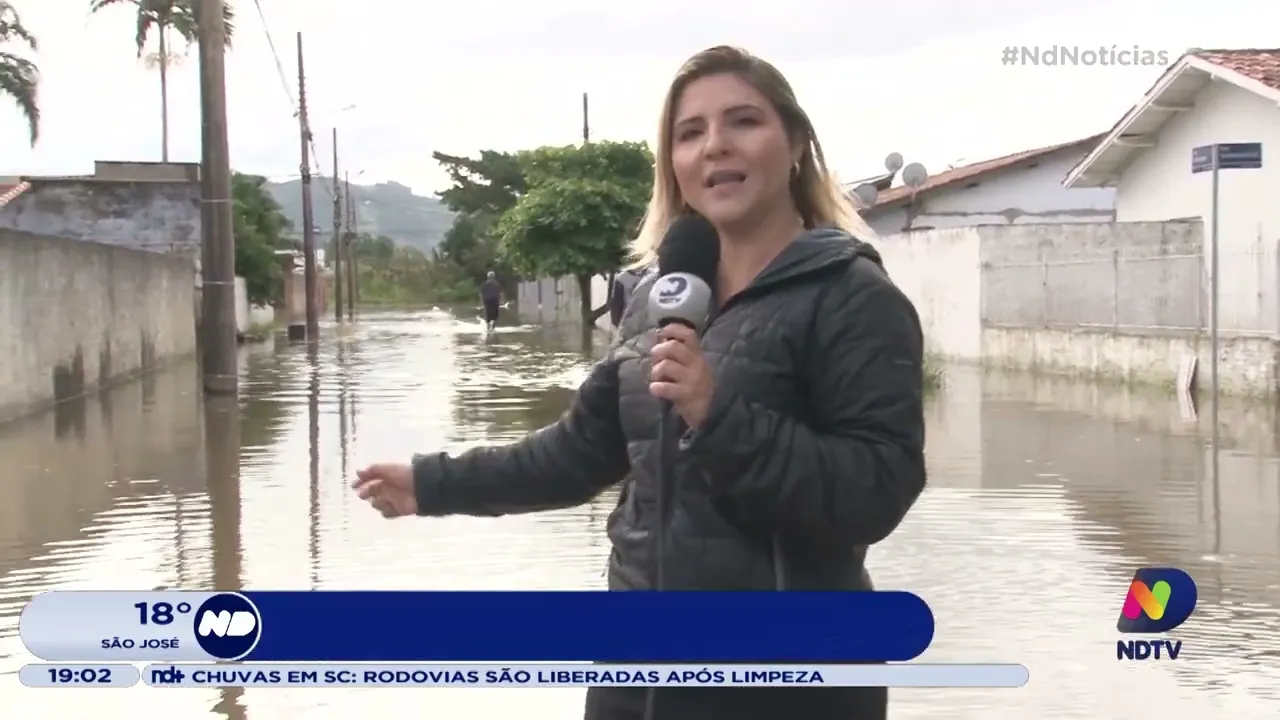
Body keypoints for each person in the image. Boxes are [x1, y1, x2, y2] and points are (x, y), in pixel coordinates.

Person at [353, 45, 926, 720]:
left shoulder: (852, 296)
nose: (715, 146)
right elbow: (574, 455)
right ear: (674, 167)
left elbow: (877, 490)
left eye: (743, 121)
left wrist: (717, 415)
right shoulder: (657, 300)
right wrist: (432, 483)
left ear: (795, 143)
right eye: (690, 133)